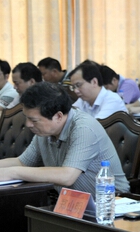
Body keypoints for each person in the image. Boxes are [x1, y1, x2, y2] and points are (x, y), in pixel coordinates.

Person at [0, 82, 129, 195]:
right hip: (71, 203)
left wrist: (12, 172)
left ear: (58, 116)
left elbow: (67, 176)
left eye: (34, 120)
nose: (28, 124)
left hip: (112, 202)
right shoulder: (45, 131)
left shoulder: (84, 128)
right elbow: (23, 162)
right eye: (27, 118)